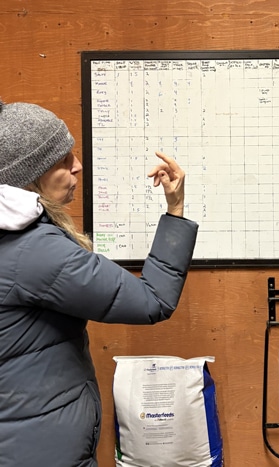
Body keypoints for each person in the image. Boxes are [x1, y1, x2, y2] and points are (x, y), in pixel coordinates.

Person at [0, 99, 198, 467]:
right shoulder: (33, 251)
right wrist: (176, 209)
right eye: (62, 160)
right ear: (30, 176)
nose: (77, 165)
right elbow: (153, 300)